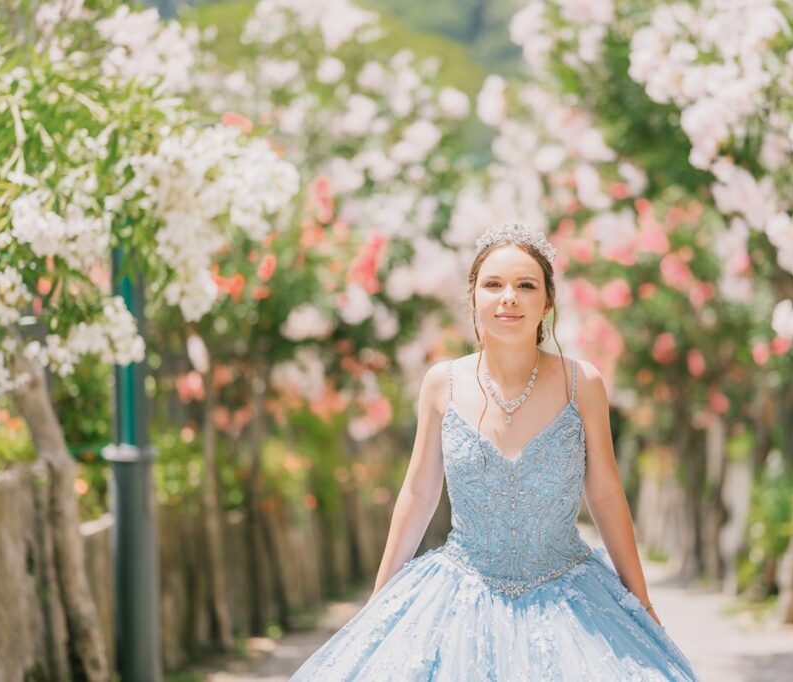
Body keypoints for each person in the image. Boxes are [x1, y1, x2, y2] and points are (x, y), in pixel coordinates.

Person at [291, 223, 700, 681]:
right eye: (493, 284)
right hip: (459, 593)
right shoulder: (440, 384)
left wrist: (640, 603)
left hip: (569, 597)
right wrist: (379, 599)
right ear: (473, 297)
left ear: (547, 303)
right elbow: (419, 494)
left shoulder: (582, 383)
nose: (509, 297)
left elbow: (604, 494)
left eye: (526, 286)